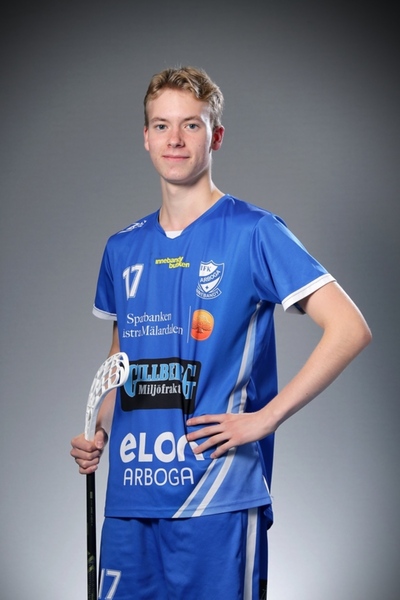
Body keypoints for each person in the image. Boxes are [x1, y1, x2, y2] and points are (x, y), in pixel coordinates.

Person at [71, 66, 371, 600]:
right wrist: (98, 431)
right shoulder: (122, 248)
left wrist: (265, 417)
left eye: (191, 124)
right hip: (131, 497)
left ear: (216, 136)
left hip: (216, 497)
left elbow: (349, 328)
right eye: (162, 126)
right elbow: (122, 364)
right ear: (145, 138)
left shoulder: (254, 231)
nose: (175, 139)